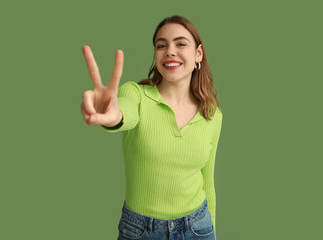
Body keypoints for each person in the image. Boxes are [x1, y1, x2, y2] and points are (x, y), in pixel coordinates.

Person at [81, 15, 223, 240]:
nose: (170, 51)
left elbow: (208, 180)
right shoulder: (136, 94)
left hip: (198, 227)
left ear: (198, 53)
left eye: (180, 43)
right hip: (139, 230)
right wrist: (111, 115)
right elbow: (124, 113)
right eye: (161, 45)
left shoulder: (212, 114)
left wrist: (213, 230)